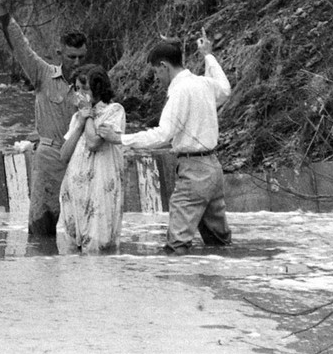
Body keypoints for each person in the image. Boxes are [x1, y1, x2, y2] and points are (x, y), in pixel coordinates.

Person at [98, 30, 232, 255]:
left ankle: (176, 287)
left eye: (155, 72)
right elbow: (225, 90)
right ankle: (217, 285)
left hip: (193, 173)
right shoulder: (203, 84)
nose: (156, 78)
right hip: (213, 170)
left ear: (163, 66)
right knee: (219, 243)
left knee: (176, 246)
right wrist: (208, 56)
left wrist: (119, 138)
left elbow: (163, 135)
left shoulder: (180, 91)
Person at [0, 0, 88, 237]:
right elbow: (19, 45)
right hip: (49, 158)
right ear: (60, 54)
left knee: (81, 231)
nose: (76, 63)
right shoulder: (43, 74)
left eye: (80, 57)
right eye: (71, 57)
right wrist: (3, 9)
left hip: (80, 160)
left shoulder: (92, 84)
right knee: (41, 229)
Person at [57, 64, 126, 253]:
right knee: (71, 248)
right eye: (77, 89)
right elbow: (63, 155)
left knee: (98, 245)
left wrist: (88, 117)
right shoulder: (76, 118)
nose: (79, 94)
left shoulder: (113, 111)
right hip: (75, 188)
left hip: (99, 187)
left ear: (98, 88)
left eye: (84, 89)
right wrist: (80, 122)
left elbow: (94, 143)